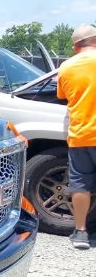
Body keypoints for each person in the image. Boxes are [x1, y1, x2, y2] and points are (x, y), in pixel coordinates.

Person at [56, 23, 96, 249]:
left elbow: (62, 95)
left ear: (75, 47)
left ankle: (81, 233)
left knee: (80, 183)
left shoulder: (66, 67)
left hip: (81, 134)